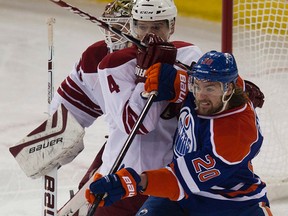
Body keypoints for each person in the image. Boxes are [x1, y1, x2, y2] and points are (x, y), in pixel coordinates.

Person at [86, 50, 273, 216]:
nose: (200, 96)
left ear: (229, 89)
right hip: (183, 199)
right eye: (197, 86)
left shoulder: (235, 137)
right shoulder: (217, 87)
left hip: (231, 203)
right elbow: (187, 83)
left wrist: (129, 183)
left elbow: (177, 181)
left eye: (209, 88)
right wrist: (170, 78)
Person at [87, 0, 203, 215]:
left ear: (172, 26)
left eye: (157, 27)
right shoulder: (113, 64)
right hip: (121, 178)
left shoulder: (189, 54)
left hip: (168, 180)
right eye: (142, 27)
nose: (149, 35)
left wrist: (182, 82)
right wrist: (144, 77)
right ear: (133, 26)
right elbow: (138, 125)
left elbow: (208, 106)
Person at [49, 0, 133, 193]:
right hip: (120, 148)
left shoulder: (168, 59)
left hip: (165, 162)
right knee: (88, 196)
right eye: (111, 27)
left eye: (121, 27)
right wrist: (53, 139)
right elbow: (68, 111)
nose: (114, 35)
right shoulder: (96, 58)